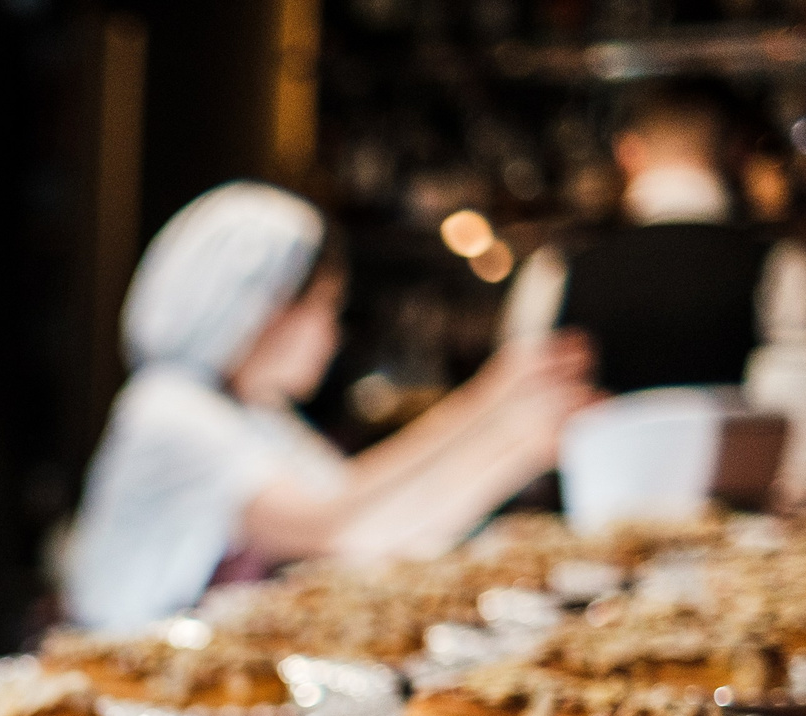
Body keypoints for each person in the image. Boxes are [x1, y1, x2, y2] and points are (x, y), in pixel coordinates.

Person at [63, 182, 593, 632]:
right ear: (261, 308)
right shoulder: (169, 407)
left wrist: (519, 448)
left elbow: (376, 535)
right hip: (126, 679)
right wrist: (487, 397)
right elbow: (325, 523)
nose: (333, 335)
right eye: (323, 309)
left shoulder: (259, 415)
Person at [501, 79, 806, 394]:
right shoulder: (783, 265)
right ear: (739, 154)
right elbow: (801, 413)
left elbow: (513, 407)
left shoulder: (556, 267)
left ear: (627, 152)